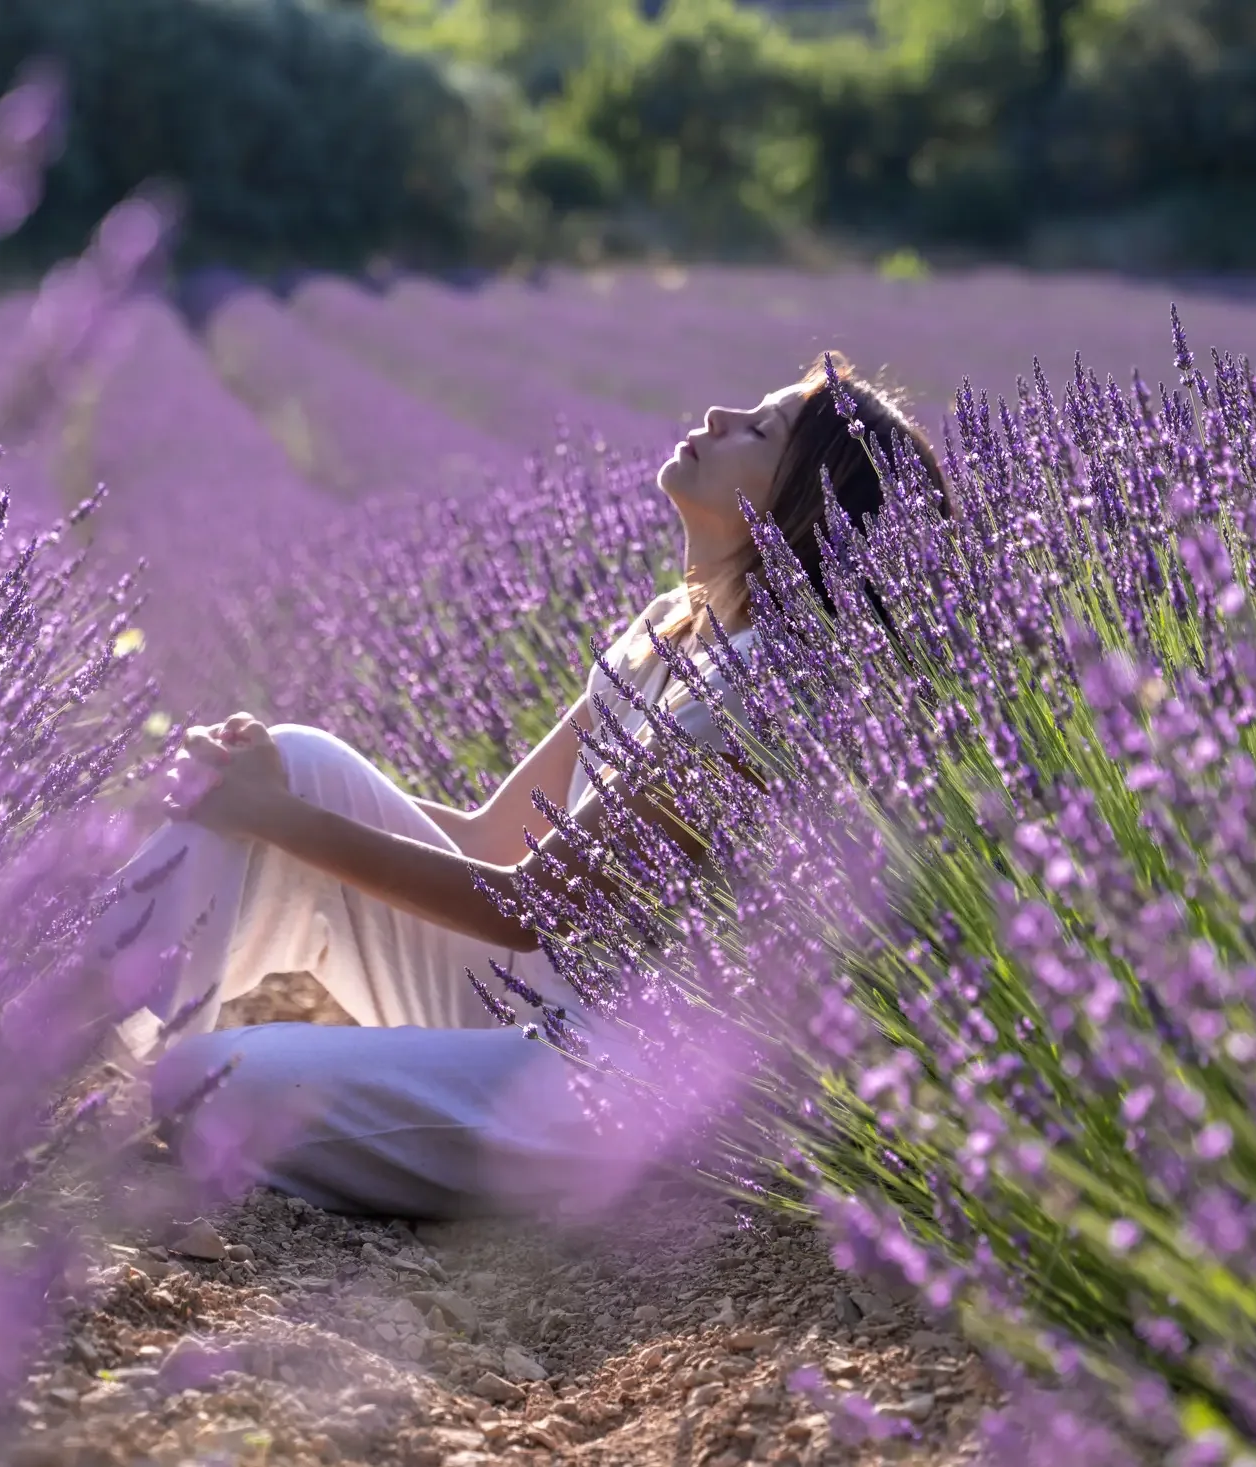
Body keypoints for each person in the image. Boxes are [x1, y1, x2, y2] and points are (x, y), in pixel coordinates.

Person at [92, 352, 944, 1220]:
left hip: (617, 1092)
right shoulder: (666, 632)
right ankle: (73, 1026)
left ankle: (124, 1064)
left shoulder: (765, 694)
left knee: (209, 1086)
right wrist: (269, 794)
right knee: (293, 754)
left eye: (759, 432)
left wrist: (270, 815)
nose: (721, 414)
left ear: (800, 514)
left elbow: (527, 903)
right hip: (533, 993)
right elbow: (489, 841)